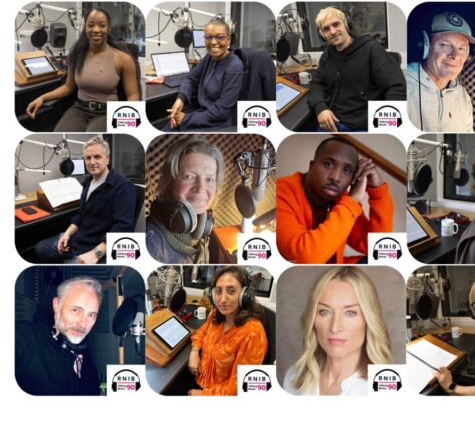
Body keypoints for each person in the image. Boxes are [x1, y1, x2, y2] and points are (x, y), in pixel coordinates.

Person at [277, 137, 393, 263]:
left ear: (353, 178)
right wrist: (351, 202)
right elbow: (305, 258)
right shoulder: (281, 192)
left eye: (347, 170)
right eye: (328, 164)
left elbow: (377, 247)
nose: (336, 177)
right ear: (312, 167)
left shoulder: (344, 200)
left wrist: (378, 192)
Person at [25, 7, 141, 131]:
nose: (96, 30)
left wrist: (128, 122)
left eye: (102, 25)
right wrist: (42, 98)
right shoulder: (76, 55)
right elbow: (68, 87)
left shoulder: (123, 59)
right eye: (90, 25)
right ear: (85, 28)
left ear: (109, 29)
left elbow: (133, 95)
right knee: (59, 131)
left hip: (108, 111)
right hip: (80, 109)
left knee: (94, 133)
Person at [284, 267, 392, 396]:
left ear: (368, 320)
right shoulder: (293, 377)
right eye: (324, 312)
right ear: (312, 319)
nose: (335, 327)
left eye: (350, 313)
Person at [34, 136, 136, 264]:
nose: (92, 162)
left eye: (97, 157)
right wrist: (67, 234)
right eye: (88, 158)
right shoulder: (88, 182)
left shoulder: (123, 186)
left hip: (95, 248)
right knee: (39, 249)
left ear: (107, 159)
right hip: (77, 240)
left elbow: (123, 228)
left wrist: (95, 254)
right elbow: (81, 214)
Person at [307, 7, 405, 132]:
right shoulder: (327, 54)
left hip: (364, 126)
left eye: (336, 24)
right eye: (326, 29)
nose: (332, 31)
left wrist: (384, 126)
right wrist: (321, 108)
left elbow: (397, 87)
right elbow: (317, 83)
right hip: (332, 122)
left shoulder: (371, 50)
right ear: (322, 35)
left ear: (346, 24)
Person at [182, 266, 268, 396]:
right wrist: (194, 352)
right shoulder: (216, 314)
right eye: (218, 291)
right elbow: (201, 332)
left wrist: (202, 395)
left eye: (231, 291)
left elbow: (238, 387)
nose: (222, 299)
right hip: (197, 379)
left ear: (245, 295)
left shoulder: (253, 333)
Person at [16, 275, 102, 395]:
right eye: (76, 310)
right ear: (57, 305)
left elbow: (91, 384)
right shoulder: (24, 336)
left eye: (91, 315)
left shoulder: (81, 346)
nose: (83, 324)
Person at [146, 137, 223, 264]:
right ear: (171, 181)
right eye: (189, 176)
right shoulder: (151, 245)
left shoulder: (199, 228)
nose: (200, 189)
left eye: (209, 179)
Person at [165, 20, 243, 131]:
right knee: (167, 129)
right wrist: (180, 99)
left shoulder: (235, 67)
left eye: (219, 37)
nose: (213, 42)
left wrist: (186, 119)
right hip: (201, 114)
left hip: (218, 123)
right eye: (208, 37)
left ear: (228, 40)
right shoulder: (210, 57)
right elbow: (190, 79)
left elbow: (221, 112)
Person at [405, 11, 475, 131]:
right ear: (425, 47)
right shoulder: (399, 85)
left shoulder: (463, 96)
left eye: (461, 48)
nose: (455, 55)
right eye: (445, 45)